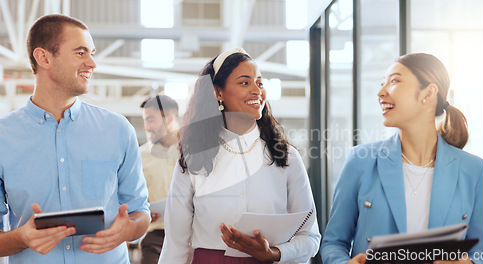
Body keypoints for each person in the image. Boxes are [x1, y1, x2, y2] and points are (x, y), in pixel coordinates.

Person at [0, 14, 150, 263]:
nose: (92, 63)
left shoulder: (118, 129)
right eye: (81, 53)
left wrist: (129, 229)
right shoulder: (3, 137)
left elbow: (140, 212)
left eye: (91, 53)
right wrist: (22, 237)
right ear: (44, 57)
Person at [320, 53, 483, 264]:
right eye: (383, 83)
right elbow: (333, 243)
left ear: (428, 93)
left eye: (394, 81)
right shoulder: (360, 160)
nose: (381, 93)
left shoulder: (474, 169)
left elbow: (480, 252)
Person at [157, 48, 321, 264]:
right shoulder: (192, 157)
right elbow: (175, 244)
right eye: (245, 83)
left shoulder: (286, 157)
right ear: (217, 92)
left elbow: (310, 237)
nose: (256, 91)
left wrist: (274, 253)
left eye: (260, 83)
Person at [139, 95, 180, 264]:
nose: (146, 127)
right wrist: (142, 212)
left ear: (169, 119)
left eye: (151, 120)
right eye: (145, 121)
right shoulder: (139, 156)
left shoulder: (195, 151)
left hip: (193, 235)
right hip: (156, 237)